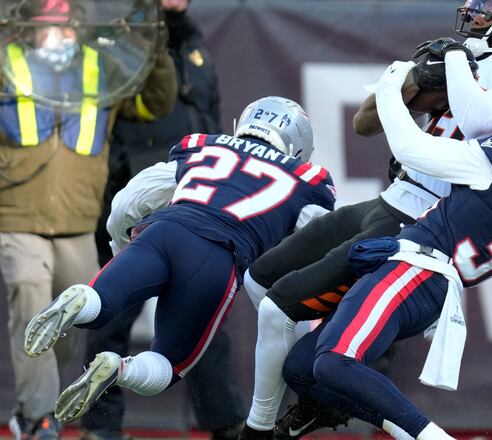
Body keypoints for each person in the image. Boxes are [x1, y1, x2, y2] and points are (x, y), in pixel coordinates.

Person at [237, 1, 492, 439]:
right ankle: (327, 380)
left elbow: (480, 116)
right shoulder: (467, 50)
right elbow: (364, 122)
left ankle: (257, 428)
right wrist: (413, 79)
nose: (477, 14)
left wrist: (431, 73)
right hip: (393, 196)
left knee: (282, 311)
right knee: (262, 285)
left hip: (426, 216)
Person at [281, 61, 492, 440]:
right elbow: (470, 221)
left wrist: (392, 87)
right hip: (433, 290)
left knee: (333, 362)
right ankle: (409, 430)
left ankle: (431, 436)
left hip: (416, 272)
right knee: (301, 367)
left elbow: (411, 149)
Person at [20, 97, 335, 427]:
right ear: (298, 145)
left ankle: (80, 299)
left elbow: (129, 200)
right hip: (217, 258)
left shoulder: (203, 147)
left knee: (102, 304)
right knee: (168, 365)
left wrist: (123, 247)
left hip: (161, 232)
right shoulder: (306, 179)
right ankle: (117, 368)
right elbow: (327, 239)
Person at [0, 0, 177, 438]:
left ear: (78, 29)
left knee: (72, 318)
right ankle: (38, 414)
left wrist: (150, 48)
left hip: (78, 222)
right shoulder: (6, 62)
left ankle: (44, 409)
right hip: (18, 215)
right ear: (27, 28)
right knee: (29, 298)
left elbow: (156, 103)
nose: (56, 37)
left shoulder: (104, 69)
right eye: (47, 26)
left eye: (64, 27)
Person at [81, 0, 246, 439]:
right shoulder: (115, 40)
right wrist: (121, 182)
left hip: (196, 197)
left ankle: (224, 423)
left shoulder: (193, 40)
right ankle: (101, 427)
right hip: (135, 194)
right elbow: (105, 120)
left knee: (203, 311)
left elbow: (207, 115)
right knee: (110, 313)